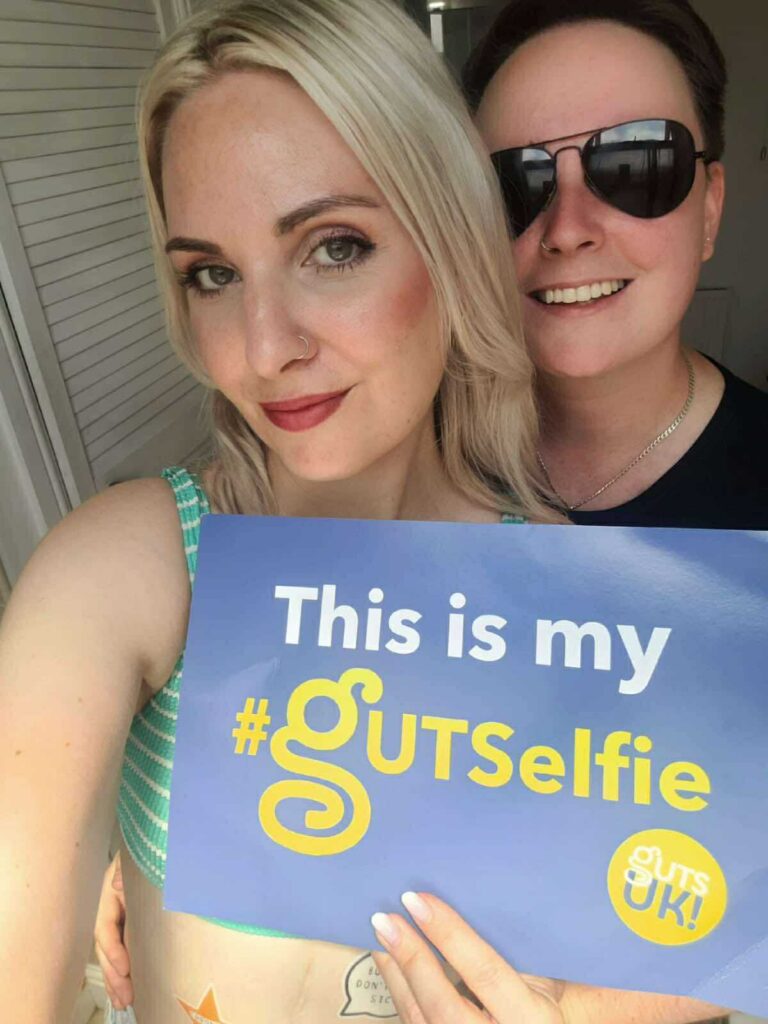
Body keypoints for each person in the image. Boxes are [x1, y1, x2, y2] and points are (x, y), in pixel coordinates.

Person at [0, 1, 735, 1022]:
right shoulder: (136, 569)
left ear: (453, 242)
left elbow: (684, 940)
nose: (263, 348)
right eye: (212, 273)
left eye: (334, 247)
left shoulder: (574, 600)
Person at [464, 0, 768, 530]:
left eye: (636, 167)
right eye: (515, 184)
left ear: (709, 212)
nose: (567, 230)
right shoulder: (415, 459)